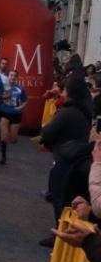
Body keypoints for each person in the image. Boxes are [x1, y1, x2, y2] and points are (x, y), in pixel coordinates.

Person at [40, 75, 93, 247]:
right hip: (79, 160)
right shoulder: (84, 111)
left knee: (60, 199)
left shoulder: (66, 112)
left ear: (68, 92)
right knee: (68, 199)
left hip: (66, 160)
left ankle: (61, 235)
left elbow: (48, 133)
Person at [0, 70, 28, 165]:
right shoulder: (3, 87)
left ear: (17, 78)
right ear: (8, 77)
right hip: (4, 113)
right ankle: (3, 156)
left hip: (16, 114)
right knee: (4, 136)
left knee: (13, 140)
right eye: (11, 75)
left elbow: (25, 101)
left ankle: (1, 133)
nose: (12, 77)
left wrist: (20, 107)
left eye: (15, 76)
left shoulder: (20, 88)